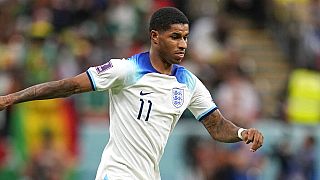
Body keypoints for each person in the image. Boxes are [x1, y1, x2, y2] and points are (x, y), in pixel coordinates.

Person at [0, 7, 264, 180]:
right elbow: (68, 85)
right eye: (175, 37)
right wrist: (13, 98)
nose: (182, 44)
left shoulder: (189, 83)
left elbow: (216, 126)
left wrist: (242, 133)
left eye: (185, 37)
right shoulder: (126, 70)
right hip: (117, 174)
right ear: (155, 36)